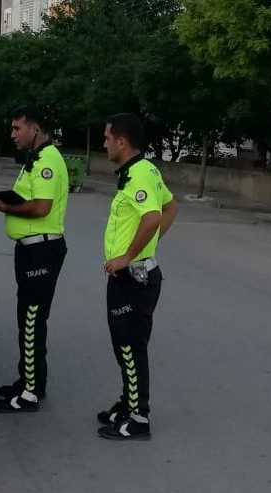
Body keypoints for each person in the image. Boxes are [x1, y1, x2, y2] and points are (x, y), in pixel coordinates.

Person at [96, 113, 178, 441]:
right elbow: (171, 207)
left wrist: (130, 255)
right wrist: (149, 245)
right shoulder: (142, 170)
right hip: (130, 274)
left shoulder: (140, 173)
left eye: (107, 138)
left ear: (121, 141)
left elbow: (154, 216)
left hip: (133, 276)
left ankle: (139, 417)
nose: (104, 144)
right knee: (124, 345)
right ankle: (128, 402)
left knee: (130, 346)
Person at [0, 105, 70, 413]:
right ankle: (30, 381)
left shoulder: (47, 160)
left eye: (17, 128)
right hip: (31, 250)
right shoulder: (35, 158)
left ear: (35, 129)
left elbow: (42, 207)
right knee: (29, 318)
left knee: (31, 320)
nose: (12, 134)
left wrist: (5, 207)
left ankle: (30, 393)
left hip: (41, 251)